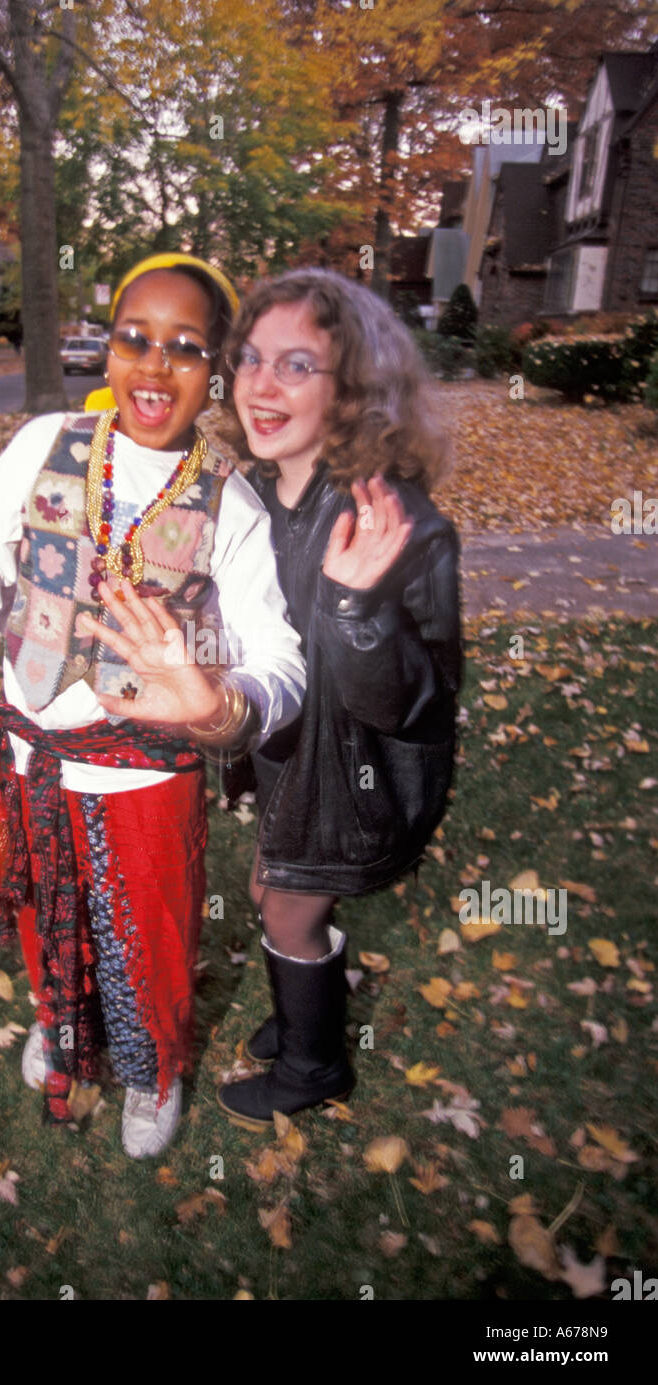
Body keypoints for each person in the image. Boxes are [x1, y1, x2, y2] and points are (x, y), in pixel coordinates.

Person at [0, 252, 305, 1158]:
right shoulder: (43, 446)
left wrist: (219, 706)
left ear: (216, 370)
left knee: (145, 937)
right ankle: (63, 1026)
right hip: (28, 760)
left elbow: (280, 662)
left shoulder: (233, 506)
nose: (153, 366)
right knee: (42, 914)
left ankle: (152, 1071)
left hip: (145, 777)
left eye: (184, 348)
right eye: (133, 340)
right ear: (106, 351)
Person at [215, 267, 462, 1128]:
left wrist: (356, 610)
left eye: (294, 365)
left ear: (354, 388)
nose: (260, 383)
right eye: (249, 359)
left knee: (284, 904)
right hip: (291, 753)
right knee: (268, 892)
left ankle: (315, 1065)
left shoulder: (395, 523)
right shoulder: (255, 498)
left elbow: (403, 701)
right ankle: (313, 985)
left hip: (356, 769)